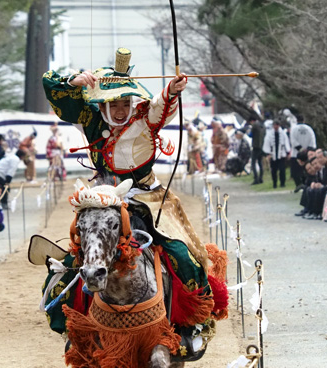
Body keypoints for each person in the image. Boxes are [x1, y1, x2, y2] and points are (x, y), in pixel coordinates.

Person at [42, 47, 228, 343]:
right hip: (103, 199)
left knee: (183, 254)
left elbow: (161, 106)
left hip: (147, 198)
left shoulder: (144, 119)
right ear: (102, 104)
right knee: (77, 257)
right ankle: (76, 328)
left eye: (125, 102)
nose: (118, 110)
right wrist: (72, 81)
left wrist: (172, 90)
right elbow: (54, 89)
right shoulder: (90, 119)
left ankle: (189, 324)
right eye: (112, 103)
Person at [289, 115, 317, 187]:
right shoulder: (309, 129)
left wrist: (300, 149)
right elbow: (312, 140)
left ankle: (298, 184)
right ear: (304, 120)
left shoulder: (294, 129)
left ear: (296, 121)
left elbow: (293, 141)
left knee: (296, 171)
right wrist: (308, 150)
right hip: (308, 153)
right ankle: (306, 183)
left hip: (296, 153)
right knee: (307, 169)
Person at [262, 119, 290, 188]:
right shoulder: (269, 134)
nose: (275, 126)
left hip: (281, 153)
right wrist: (268, 153)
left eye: (277, 125)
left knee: (282, 170)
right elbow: (267, 143)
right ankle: (275, 183)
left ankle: (282, 183)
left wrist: (288, 152)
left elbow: (286, 142)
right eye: (274, 125)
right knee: (273, 170)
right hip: (273, 154)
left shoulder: (283, 133)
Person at [248, 115, 265, 184]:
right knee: (260, 163)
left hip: (255, 146)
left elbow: (250, 135)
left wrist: (248, 132)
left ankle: (256, 178)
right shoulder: (262, 125)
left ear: (251, 121)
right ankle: (261, 178)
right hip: (262, 146)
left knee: (253, 163)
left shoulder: (254, 125)